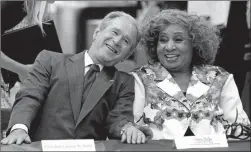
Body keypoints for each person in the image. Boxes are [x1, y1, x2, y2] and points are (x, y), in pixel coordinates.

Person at [1, 11, 148, 145]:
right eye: (115, 32)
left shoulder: (124, 82)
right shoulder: (50, 60)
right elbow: (29, 97)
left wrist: (128, 129)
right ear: (97, 32)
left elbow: (119, 119)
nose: (117, 41)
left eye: (126, 41)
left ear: (127, 56)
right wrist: (19, 128)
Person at [132, 9, 251, 140]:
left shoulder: (220, 77)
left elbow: (241, 131)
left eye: (178, 39)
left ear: (194, 44)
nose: (169, 46)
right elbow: (133, 128)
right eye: (163, 40)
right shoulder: (140, 78)